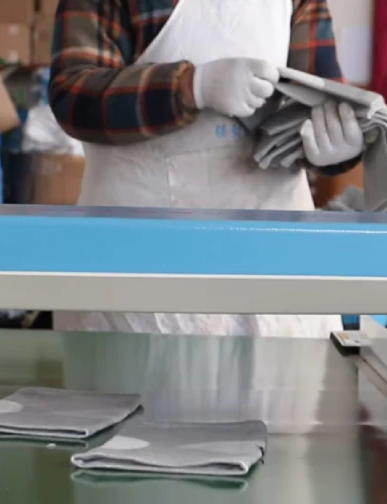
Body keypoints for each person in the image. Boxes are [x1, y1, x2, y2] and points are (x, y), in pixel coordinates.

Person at [49, 0, 364, 338]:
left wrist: (337, 147)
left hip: (272, 274)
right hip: (140, 277)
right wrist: (190, 87)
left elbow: (320, 97)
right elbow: (74, 95)